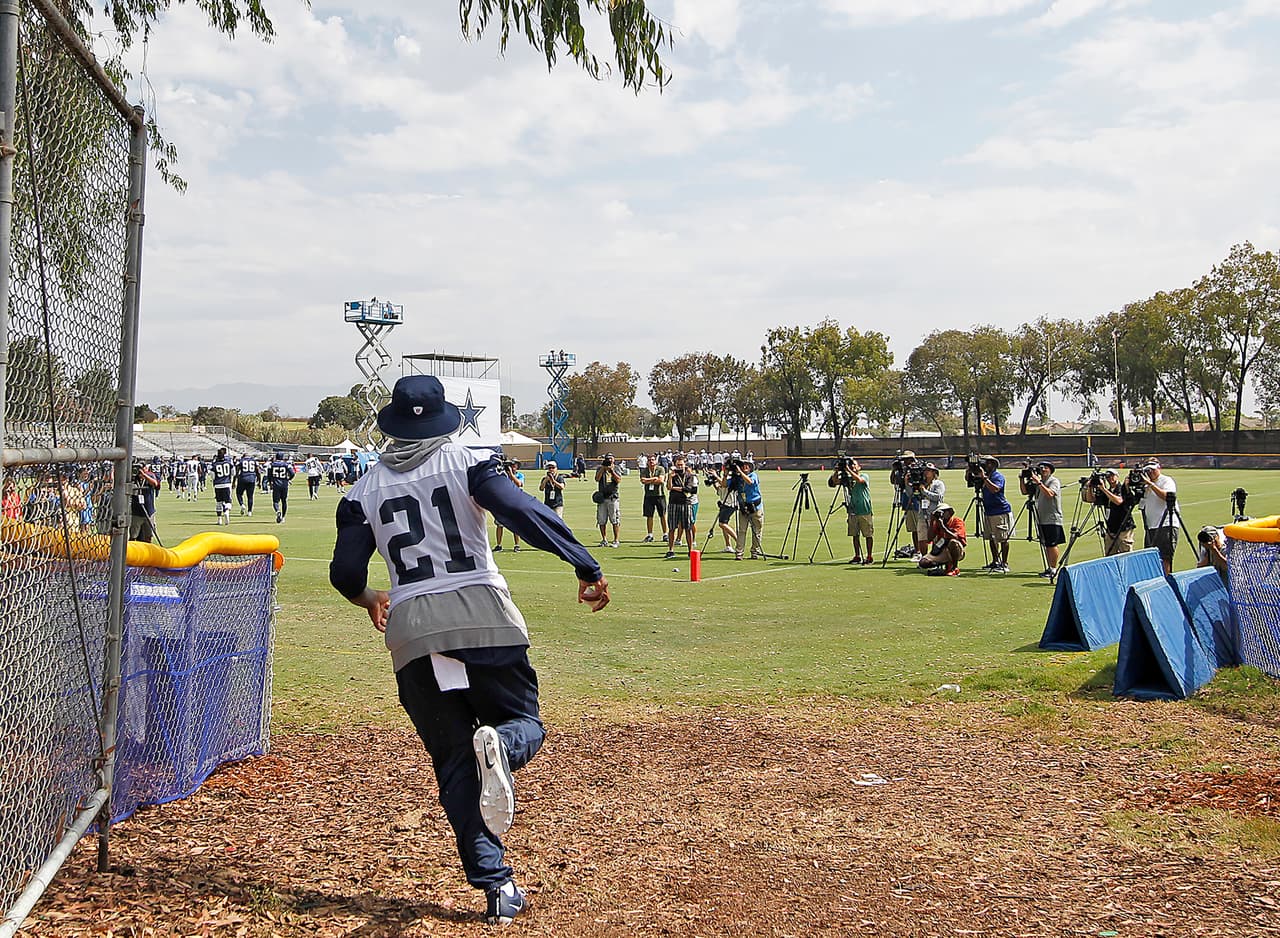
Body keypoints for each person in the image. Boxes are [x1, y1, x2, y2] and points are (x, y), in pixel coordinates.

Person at [327, 375, 610, 926]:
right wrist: (585, 565)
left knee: (456, 762)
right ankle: (503, 747)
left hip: (411, 630)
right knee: (524, 724)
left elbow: (344, 573)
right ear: (444, 419)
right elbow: (520, 512)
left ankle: (496, 886)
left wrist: (368, 597)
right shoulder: (469, 460)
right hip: (483, 616)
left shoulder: (362, 490)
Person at [1021, 461, 1064, 578]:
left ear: (1050, 470)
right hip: (1041, 518)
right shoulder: (1039, 483)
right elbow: (1025, 491)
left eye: (1046, 468)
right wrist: (1022, 478)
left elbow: (1050, 494)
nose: (1043, 469)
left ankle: (1054, 569)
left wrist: (1038, 482)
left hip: (1052, 518)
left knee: (1052, 544)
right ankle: (1049, 568)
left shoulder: (1053, 481)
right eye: (1041, 468)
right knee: (1046, 544)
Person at [1083, 468, 1138, 556]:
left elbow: (1118, 501)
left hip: (1124, 527)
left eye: (1112, 476)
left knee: (1126, 554)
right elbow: (1090, 499)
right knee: (1109, 554)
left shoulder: (1122, 488)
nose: (1110, 478)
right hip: (1111, 528)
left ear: (1117, 476)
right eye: (1108, 476)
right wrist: (1090, 486)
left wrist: (1104, 489)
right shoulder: (1107, 491)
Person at [828, 459, 874, 565]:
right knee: (854, 534)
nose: (852, 466)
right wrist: (836, 471)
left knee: (868, 534)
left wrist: (848, 470)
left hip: (864, 509)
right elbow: (834, 483)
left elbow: (859, 480)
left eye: (854, 465)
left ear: (859, 467)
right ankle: (857, 555)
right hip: (853, 509)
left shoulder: (864, 476)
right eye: (851, 465)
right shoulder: (848, 478)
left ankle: (869, 556)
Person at [1138, 459, 1179, 575]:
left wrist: (1151, 485)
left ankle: (1166, 581)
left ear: (1158, 468)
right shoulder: (1145, 485)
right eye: (1148, 471)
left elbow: (1167, 496)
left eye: (1152, 470)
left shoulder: (1166, 480)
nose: (1150, 473)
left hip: (1166, 524)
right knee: (1150, 559)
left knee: (1165, 557)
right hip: (1151, 526)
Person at [974, 456, 1013, 572]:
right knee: (991, 537)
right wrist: (970, 470)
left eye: (987, 463)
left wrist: (984, 477)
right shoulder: (986, 476)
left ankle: (1004, 563)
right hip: (988, 510)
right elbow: (970, 482)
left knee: (1003, 537)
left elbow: (995, 489)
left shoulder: (997, 476)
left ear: (993, 464)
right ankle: (995, 561)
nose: (985, 465)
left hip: (1000, 510)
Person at [918, 503, 966, 576]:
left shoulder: (957, 521)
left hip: (956, 550)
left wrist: (943, 527)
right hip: (941, 550)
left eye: (944, 512)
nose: (942, 514)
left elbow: (956, 537)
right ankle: (944, 565)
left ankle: (955, 568)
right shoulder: (937, 523)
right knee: (923, 563)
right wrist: (932, 522)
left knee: (953, 542)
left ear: (949, 512)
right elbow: (929, 539)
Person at [665, 453, 697, 559]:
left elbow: (689, 489)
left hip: (686, 503)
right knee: (672, 527)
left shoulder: (690, 476)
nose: (680, 467)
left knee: (688, 527)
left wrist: (676, 488)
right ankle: (670, 550)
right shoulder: (672, 475)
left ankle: (690, 550)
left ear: (685, 465)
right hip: (673, 503)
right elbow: (668, 487)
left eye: (681, 465)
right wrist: (670, 477)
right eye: (678, 465)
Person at [733, 456, 764, 560]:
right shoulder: (737, 478)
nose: (745, 467)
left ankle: (755, 551)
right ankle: (739, 553)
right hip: (743, 507)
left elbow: (750, 482)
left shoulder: (753, 475)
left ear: (751, 467)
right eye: (743, 465)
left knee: (757, 530)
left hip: (755, 506)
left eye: (747, 465)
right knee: (741, 530)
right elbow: (724, 485)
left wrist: (740, 473)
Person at [914, 463, 945, 559]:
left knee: (935, 537)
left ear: (934, 473)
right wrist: (908, 484)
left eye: (929, 470)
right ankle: (924, 558)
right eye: (926, 470)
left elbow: (938, 497)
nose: (927, 472)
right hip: (922, 514)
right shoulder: (921, 483)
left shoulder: (938, 484)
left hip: (934, 514)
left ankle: (934, 558)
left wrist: (924, 491)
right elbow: (912, 494)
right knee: (922, 537)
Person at [493, 460, 525, 552]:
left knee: (516, 525)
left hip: (515, 502)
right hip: (502, 501)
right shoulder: (502, 475)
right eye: (510, 466)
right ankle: (499, 545)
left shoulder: (520, 475)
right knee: (499, 524)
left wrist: (511, 475)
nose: (512, 467)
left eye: (514, 465)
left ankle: (517, 545)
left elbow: (519, 484)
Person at [707, 461, 738, 553]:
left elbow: (724, 484)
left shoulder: (731, 477)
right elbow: (720, 490)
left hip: (729, 504)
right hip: (724, 503)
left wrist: (717, 476)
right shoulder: (724, 476)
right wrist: (713, 481)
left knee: (722, 524)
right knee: (724, 525)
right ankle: (728, 545)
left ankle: (739, 542)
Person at [638, 454, 668, 543]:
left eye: (653, 460)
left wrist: (650, 480)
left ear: (656, 461)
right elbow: (642, 480)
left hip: (660, 495)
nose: (651, 461)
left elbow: (661, 480)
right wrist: (654, 478)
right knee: (649, 516)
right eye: (649, 460)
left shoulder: (660, 469)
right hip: (648, 496)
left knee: (662, 515)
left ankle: (665, 534)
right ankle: (650, 535)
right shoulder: (644, 470)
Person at [128, 460, 160, 542]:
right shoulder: (133, 478)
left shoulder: (150, 475)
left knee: (148, 535)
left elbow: (155, 484)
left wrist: (144, 475)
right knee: (133, 535)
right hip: (136, 511)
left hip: (149, 511)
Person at [594, 453, 622, 547]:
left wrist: (612, 471)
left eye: (610, 459)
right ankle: (604, 539)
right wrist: (603, 469)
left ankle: (616, 540)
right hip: (602, 498)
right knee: (601, 520)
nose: (609, 461)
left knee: (615, 519)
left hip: (612, 497)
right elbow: (597, 479)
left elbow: (618, 480)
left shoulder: (616, 468)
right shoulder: (600, 468)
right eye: (607, 459)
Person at [269, 451, 296, 523]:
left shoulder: (272, 465)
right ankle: (283, 517)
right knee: (284, 501)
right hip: (284, 484)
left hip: (276, 484)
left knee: (275, 501)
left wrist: (270, 483)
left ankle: (278, 511)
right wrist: (288, 479)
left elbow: (269, 475)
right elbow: (292, 473)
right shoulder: (286, 464)